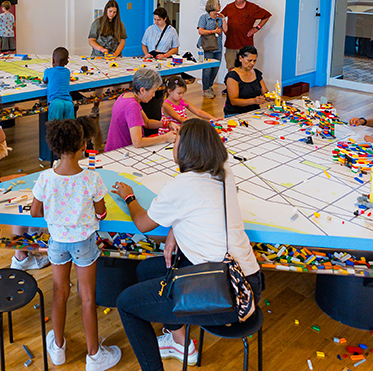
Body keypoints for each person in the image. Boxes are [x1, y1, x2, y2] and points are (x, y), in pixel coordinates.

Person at [112, 119, 262, 369]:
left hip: (225, 297)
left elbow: (142, 223)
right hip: (248, 282)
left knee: (126, 304)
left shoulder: (180, 186)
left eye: (178, 137)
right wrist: (174, 228)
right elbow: (197, 206)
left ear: (187, 147)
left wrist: (129, 196)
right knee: (146, 270)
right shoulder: (224, 171)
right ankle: (179, 340)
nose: (174, 140)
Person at [31, 118, 122, 371]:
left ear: (54, 146)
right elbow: (101, 213)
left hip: (57, 242)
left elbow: (35, 213)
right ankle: (94, 355)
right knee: (87, 296)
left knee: (60, 291)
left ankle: (58, 348)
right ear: (83, 145)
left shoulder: (46, 178)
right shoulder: (91, 178)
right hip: (84, 242)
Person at [105, 68, 178, 152]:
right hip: (121, 153)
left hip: (115, 149)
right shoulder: (132, 106)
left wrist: (167, 124)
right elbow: (138, 142)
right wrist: (165, 138)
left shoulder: (127, 96)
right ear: (142, 90)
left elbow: (147, 122)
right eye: (153, 91)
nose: (154, 95)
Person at [87, 0, 127, 116]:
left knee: (117, 84)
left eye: (114, 12)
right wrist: (101, 49)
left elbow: (122, 41)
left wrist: (115, 54)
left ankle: (120, 108)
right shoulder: (97, 23)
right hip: (99, 57)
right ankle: (95, 107)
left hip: (114, 58)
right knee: (99, 84)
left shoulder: (120, 25)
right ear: (106, 11)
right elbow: (91, 40)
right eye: (110, 11)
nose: (112, 14)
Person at [220, 0, 271, 72]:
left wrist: (257, 28)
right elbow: (219, 18)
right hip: (231, 45)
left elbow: (267, 15)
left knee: (245, 69)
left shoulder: (252, 7)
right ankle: (232, 85)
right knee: (232, 70)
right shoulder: (229, 7)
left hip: (246, 45)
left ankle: (243, 86)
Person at [223, 46, 269, 116]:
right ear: (240, 58)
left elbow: (265, 93)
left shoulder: (256, 73)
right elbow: (234, 101)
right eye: (249, 60)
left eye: (254, 61)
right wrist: (254, 101)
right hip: (235, 113)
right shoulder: (233, 76)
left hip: (254, 111)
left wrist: (273, 98)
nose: (252, 63)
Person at [197, 0, 225, 98]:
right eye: (218, 4)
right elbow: (201, 31)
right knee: (207, 69)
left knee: (215, 68)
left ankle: (210, 86)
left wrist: (224, 19)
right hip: (208, 47)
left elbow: (225, 30)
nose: (220, 6)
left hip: (218, 47)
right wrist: (213, 31)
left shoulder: (219, 18)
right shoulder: (204, 17)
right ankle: (205, 89)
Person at [45, 47, 74, 121]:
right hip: (69, 103)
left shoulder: (48, 71)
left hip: (56, 103)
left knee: (55, 127)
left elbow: (45, 80)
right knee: (70, 127)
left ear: (53, 60)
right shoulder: (67, 72)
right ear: (67, 62)